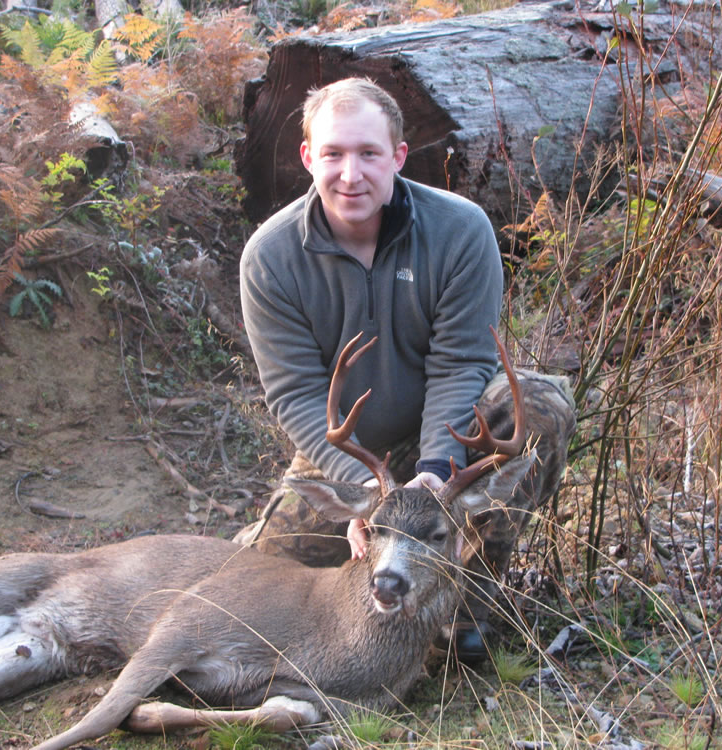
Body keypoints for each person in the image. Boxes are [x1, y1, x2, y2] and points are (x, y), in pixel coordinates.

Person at [237, 77, 576, 663]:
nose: (350, 174)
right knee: (251, 586)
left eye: (369, 154)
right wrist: (369, 493)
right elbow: (294, 393)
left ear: (397, 156)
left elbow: (460, 362)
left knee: (540, 406)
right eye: (333, 154)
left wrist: (435, 473)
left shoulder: (459, 231)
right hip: (353, 453)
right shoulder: (270, 258)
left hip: (449, 439)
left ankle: (466, 608)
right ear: (306, 157)